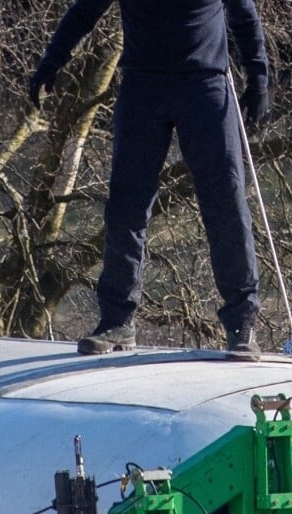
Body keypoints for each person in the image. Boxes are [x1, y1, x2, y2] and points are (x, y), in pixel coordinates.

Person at [30, 0, 269, 358]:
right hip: (143, 88)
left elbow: (243, 14)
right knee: (126, 207)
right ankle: (117, 322)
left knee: (226, 203)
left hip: (205, 86)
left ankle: (241, 325)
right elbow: (85, 11)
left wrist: (258, 76)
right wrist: (52, 60)